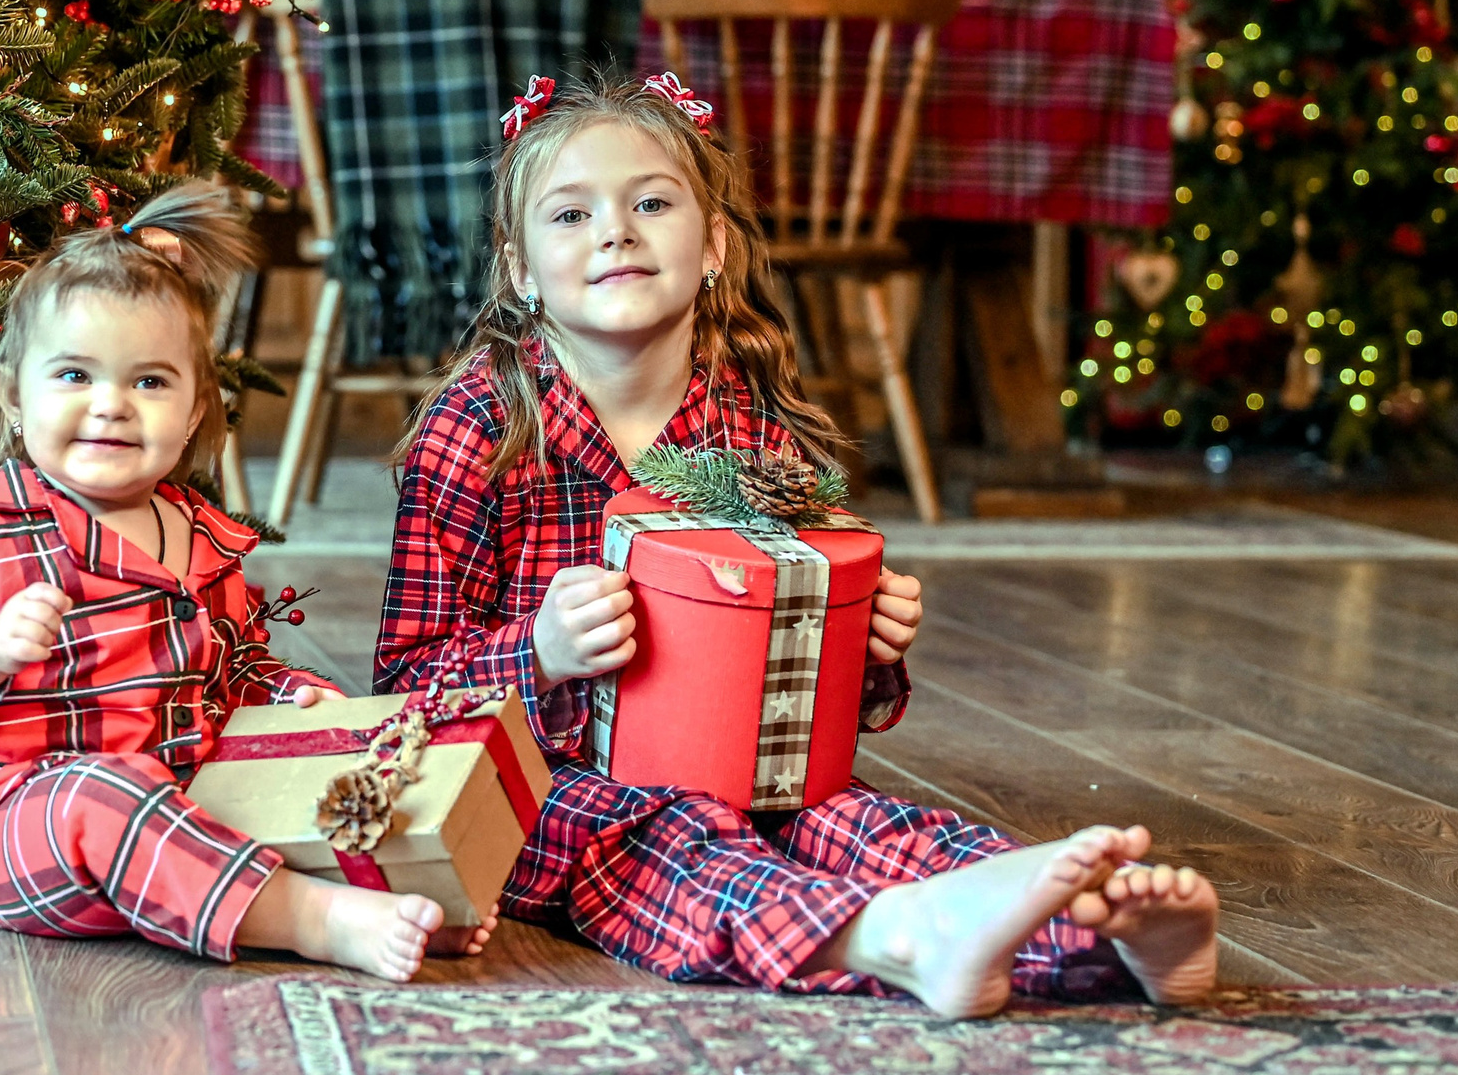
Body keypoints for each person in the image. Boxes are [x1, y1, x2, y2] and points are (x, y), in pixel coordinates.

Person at [378, 72, 1219, 1017]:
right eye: (570, 214)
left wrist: (867, 644)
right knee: (668, 841)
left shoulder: (753, 433)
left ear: (713, 246)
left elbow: (806, 691)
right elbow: (402, 694)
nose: (615, 229)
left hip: (748, 761)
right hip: (539, 781)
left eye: (651, 201)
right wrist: (538, 653)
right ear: (521, 268)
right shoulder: (479, 431)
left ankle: (1096, 930)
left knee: (853, 819)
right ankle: (899, 937)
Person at [0, 182, 489, 981]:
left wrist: (287, 694)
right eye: (74, 375)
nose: (112, 406)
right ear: (12, 398)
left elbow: (234, 670)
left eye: (150, 382)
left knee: (316, 763)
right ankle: (311, 918)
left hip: (196, 807)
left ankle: (396, 894)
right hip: (30, 830)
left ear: (197, 410)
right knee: (97, 792)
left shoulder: (199, 537)